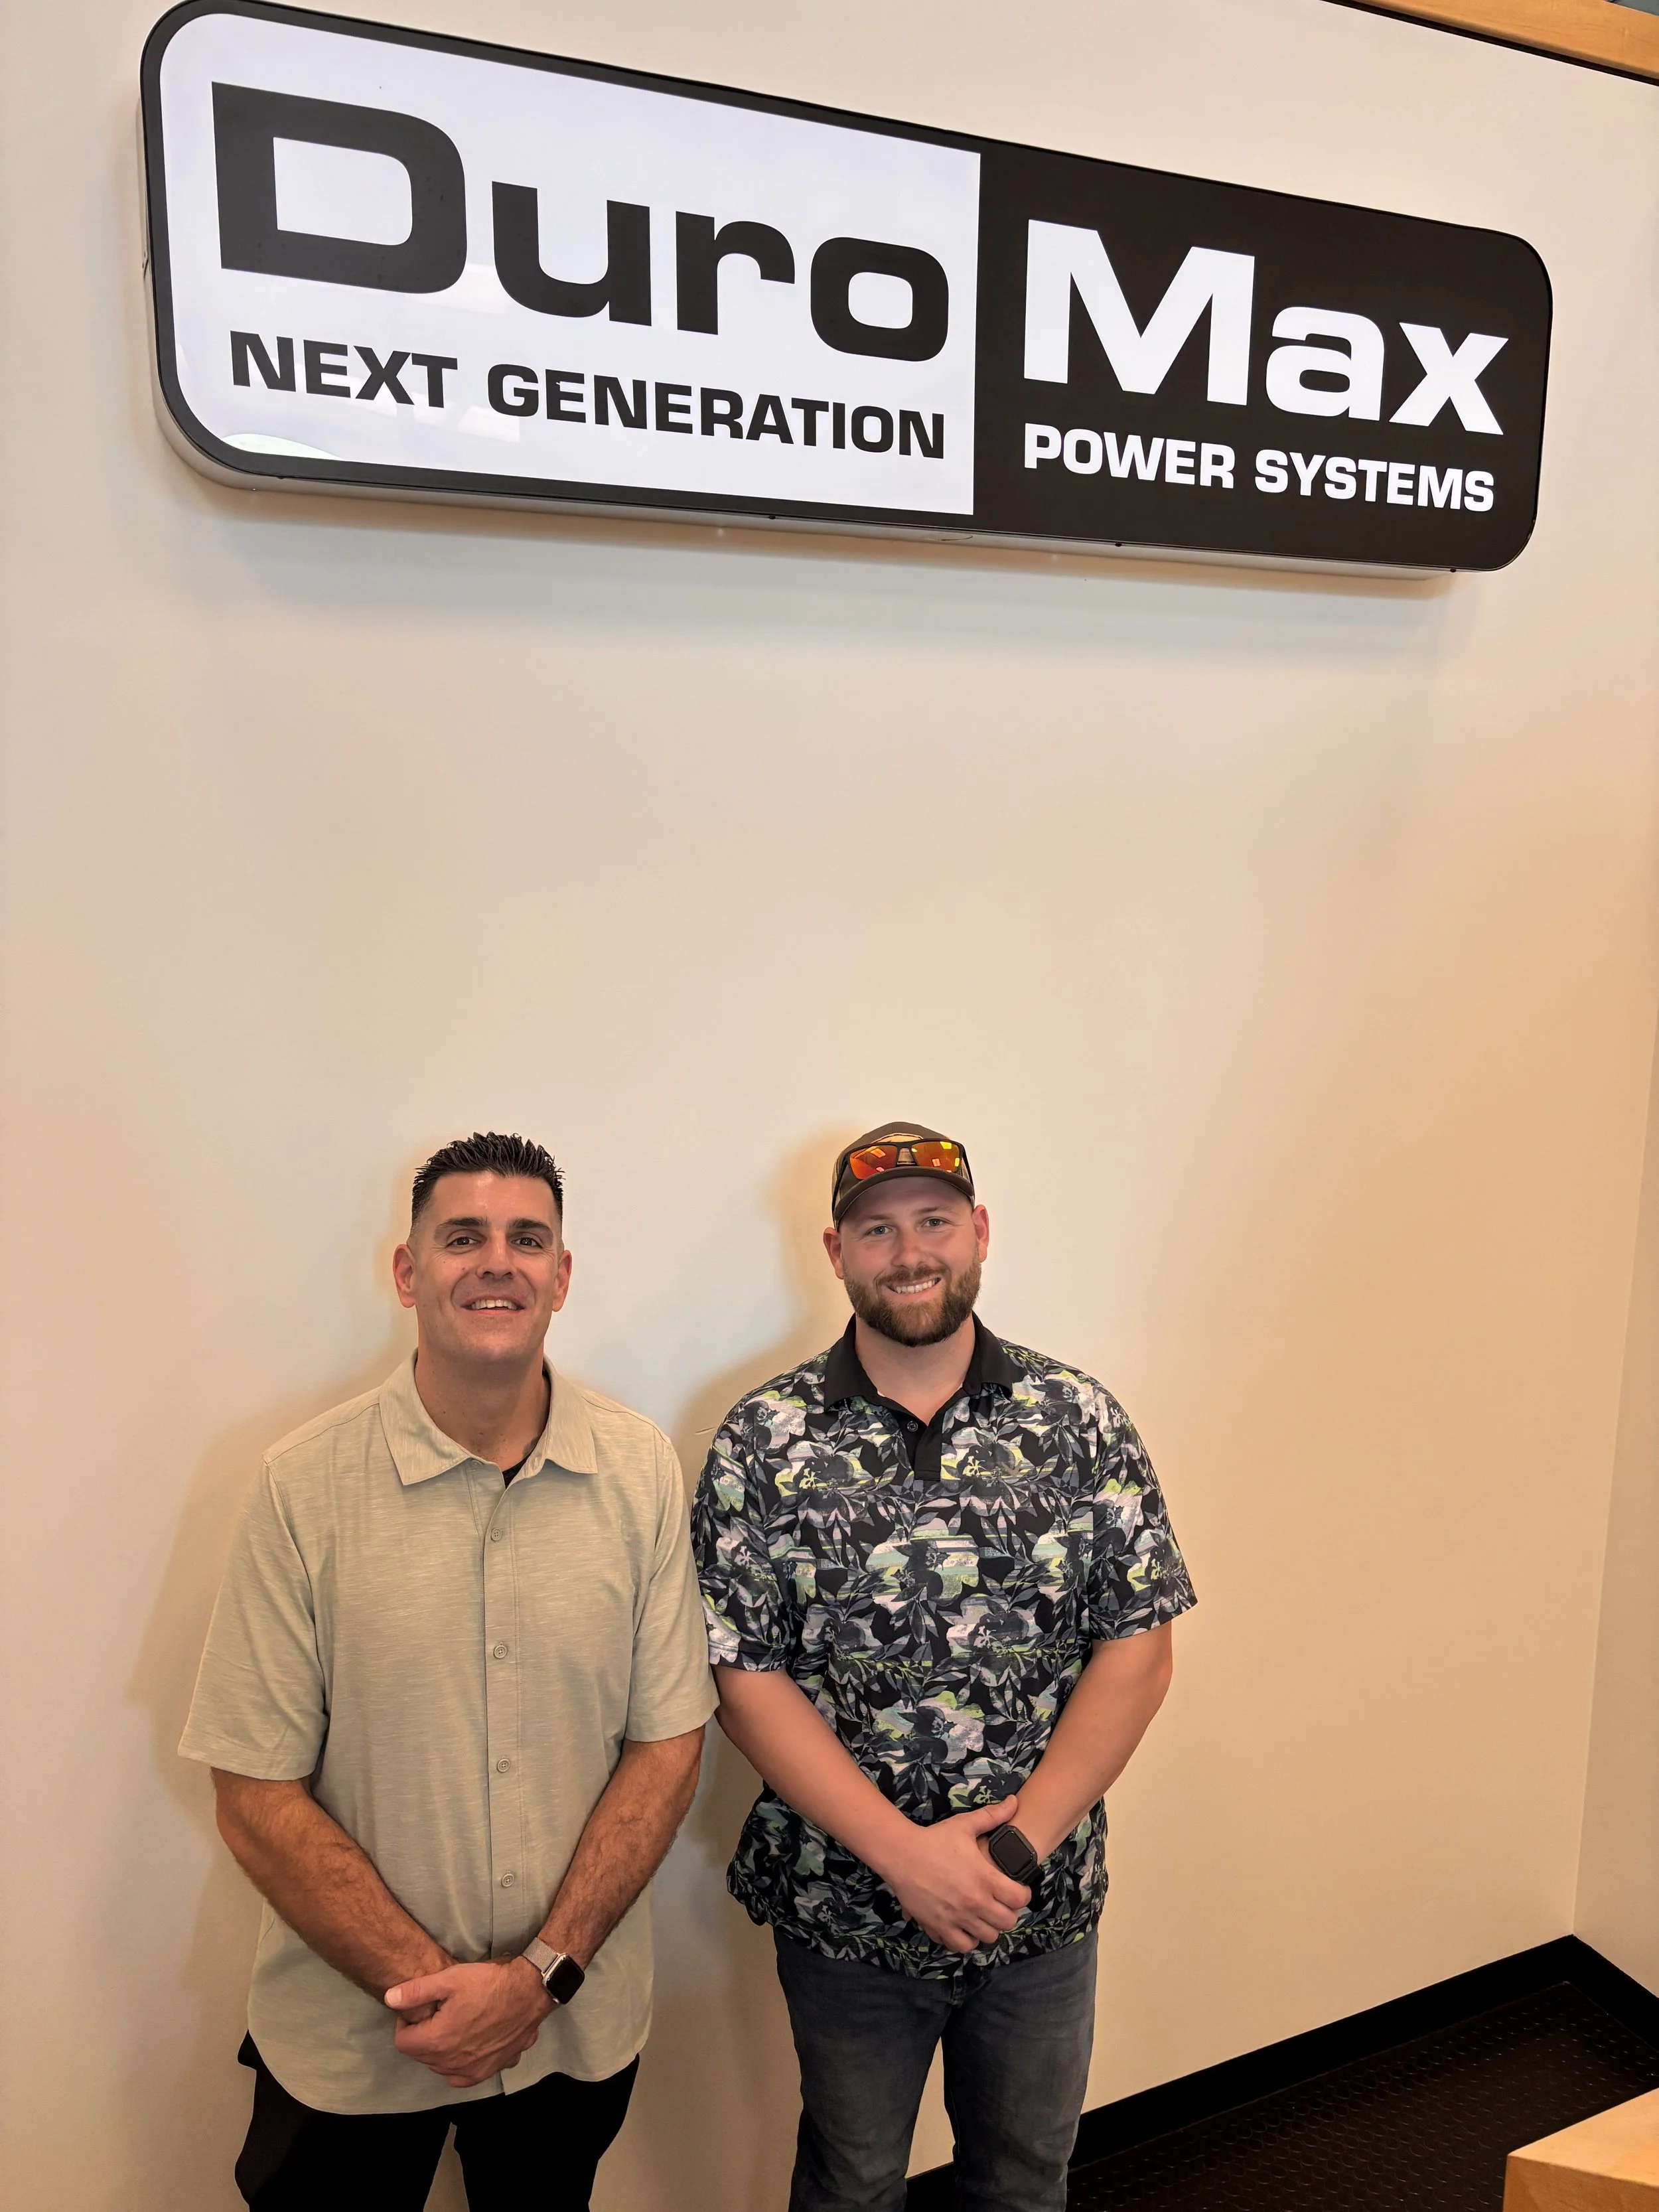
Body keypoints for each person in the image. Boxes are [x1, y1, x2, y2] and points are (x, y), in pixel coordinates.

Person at [180, 1132, 715, 2211]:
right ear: (406, 1269)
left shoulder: (639, 1470)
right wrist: (444, 1993)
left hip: (572, 2030)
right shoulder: (301, 1488)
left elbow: (666, 1747)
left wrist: (538, 1981)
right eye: (461, 1236)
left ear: (562, 1276)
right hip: (354, 2043)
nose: (496, 1262)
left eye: (528, 1239)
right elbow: (254, 1795)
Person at [693, 1123, 1195, 2212]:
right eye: (877, 1230)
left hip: (1039, 1909)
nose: (908, 1251)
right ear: (835, 1252)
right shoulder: (763, 1441)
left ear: (978, 1234)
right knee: (853, 2178)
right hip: (845, 1915)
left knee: (1023, 2179)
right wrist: (906, 1860)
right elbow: (744, 1676)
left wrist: (1011, 1853)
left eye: (932, 1222)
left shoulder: (1079, 1422)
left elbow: (1139, 1650)